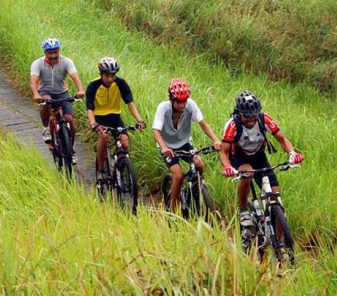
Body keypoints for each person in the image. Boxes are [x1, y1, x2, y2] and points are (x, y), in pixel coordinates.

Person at [218, 90, 304, 228]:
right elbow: (223, 152)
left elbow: (282, 139)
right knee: (248, 174)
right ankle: (243, 209)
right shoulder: (232, 125)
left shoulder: (264, 119)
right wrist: (228, 167)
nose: (251, 120)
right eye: (247, 117)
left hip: (259, 156)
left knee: (276, 200)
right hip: (240, 157)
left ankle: (282, 245)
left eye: (254, 116)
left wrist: (292, 153)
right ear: (239, 114)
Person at [152, 78, 222, 212]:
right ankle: (173, 210)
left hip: (184, 143)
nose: (182, 105)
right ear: (171, 99)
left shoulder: (190, 105)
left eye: (184, 101)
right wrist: (164, 148)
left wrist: (215, 140)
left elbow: (203, 124)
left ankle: (197, 189)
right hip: (167, 146)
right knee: (177, 175)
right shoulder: (163, 108)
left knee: (199, 164)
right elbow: (156, 131)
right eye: (179, 102)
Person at [85, 57, 146, 182]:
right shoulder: (93, 85)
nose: (110, 79)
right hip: (99, 117)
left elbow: (130, 103)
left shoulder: (121, 83)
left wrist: (139, 120)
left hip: (115, 117)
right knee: (104, 137)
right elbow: (90, 108)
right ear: (101, 74)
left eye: (112, 75)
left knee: (124, 143)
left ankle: (122, 165)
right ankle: (101, 170)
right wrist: (93, 124)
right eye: (107, 76)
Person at [30, 38, 86, 162]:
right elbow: (34, 81)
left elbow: (74, 76)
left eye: (55, 52)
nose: (53, 55)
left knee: (70, 120)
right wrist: (35, 94)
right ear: (45, 53)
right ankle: (46, 129)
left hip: (62, 93)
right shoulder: (37, 63)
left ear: (59, 51)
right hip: (45, 92)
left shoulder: (66, 62)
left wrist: (80, 90)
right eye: (50, 53)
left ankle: (70, 150)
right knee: (46, 102)